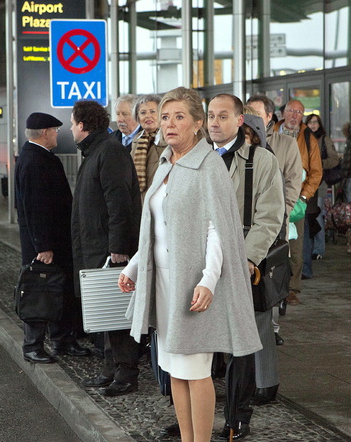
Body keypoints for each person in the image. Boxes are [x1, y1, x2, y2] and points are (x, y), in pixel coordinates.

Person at [119, 87, 261, 442]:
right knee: (174, 371)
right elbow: (155, 229)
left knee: (196, 371)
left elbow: (219, 232)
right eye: (165, 117)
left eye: (179, 116)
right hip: (165, 284)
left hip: (192, 284)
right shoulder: (166, 163)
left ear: (198, 123)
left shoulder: (208, 166)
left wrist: (209, 280)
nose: (169, 124)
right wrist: (134, 267)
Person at [208, 94, 284, 439]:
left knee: (242, 344)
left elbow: (270, 217)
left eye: (222, 116)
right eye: (210, 115)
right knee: (200, 344)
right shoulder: (195, 159)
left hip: (243, 263)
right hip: (200, 264)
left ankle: (238, 417)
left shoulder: (260, 160)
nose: (214, 122)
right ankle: (192, 415)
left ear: (240, 120)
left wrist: (249, 259)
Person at [71, 100, 142, 397]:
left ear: (84, 124)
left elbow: (119, 203)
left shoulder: (109, 151)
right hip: (95, 246)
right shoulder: (97, 150)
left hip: (108, 250)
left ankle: (126, 374)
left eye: (73, 122)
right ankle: (111, 369)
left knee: (117, 314)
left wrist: (119, 247)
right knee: (106, 314)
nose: (72, 128)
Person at [14, 112, 89, 364]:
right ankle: (32, 345)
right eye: (55, 130)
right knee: (39, 291)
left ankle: (63, 340)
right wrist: (43, 246)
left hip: (56, 242)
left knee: (58, 290)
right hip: (46, 246)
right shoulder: (34, 161)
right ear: (45, 133)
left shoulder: (40, 156)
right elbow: (35, 208)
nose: (58, 133)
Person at [247, 95, 302, 345]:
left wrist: (284, 212)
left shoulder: (285, 145)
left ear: (270, 117)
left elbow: (293, 182)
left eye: (257, 113)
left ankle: (272, 328)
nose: (251, 118)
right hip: (248, 223)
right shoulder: (241, 143)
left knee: (272, 273)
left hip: (275, 221)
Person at [275, 100, 322, 305]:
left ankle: (292, 288)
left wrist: (303, 197)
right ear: (283, 112)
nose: (295, 116)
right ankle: (273, 286)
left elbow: (316, 172)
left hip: (296, 200)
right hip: (271, 197)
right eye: (292, 111)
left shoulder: (308, 138)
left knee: (295, 245)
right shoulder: (271, 132)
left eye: (299, 112)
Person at [304, 114, 340, 262]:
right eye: (310, 122)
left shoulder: (324, 139)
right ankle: (308, 248)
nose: (313, 125)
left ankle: (318, 249)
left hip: (320, 183)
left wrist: (318, 163)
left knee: (317, 215)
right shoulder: (302, 137)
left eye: (316, 122)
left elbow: (334, 159)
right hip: (305, 183)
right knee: (308, 216)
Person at [131, 94, 166, 200]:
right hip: (139, 199)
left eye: (152, 111)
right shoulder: (136, 140)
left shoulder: (168, 139)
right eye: (143, 112)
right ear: (137, 117)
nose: (148, 116)